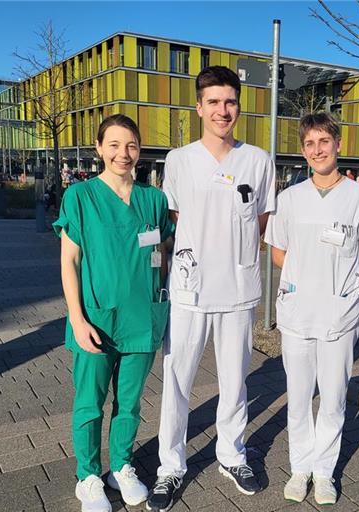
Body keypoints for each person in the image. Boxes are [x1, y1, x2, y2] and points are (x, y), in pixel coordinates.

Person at [147, 66, 275, 512]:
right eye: (214, 102)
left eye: (231, 102)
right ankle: (170, 467)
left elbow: (260, 221)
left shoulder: (258, 161)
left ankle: (231, 454)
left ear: (239, 106)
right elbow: (175, 220)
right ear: (199, 107)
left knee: (236, 380)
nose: (223, 110)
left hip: (238, 290)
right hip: (190, 290)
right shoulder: (179, 160)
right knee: (177, 381)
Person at [264, 112, 359, 505]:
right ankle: (300, 469)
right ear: (303, 151)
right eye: (310, 144)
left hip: (341, 314)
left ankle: (324, 472)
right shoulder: (289, 199)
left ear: (338, 144)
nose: (317, 150)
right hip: (298, 314)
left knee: (333, 399)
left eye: (324, 142)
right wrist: (309, 271)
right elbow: (279, 253)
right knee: (298, 398)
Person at [54, 114, 173, 512]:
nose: (124, 154)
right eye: (115, 145)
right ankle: (87, 476)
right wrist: (76, 317)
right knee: (90, 401)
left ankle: (120, 467)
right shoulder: (81, 197)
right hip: (96, 320)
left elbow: (163, 253)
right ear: (100, 149)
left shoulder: (154, 200)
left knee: (130, 402)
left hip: (142, 317)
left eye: (132, 145)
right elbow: (69, 261)